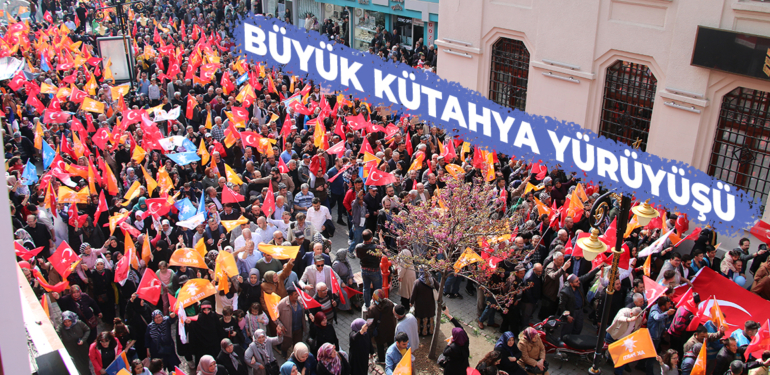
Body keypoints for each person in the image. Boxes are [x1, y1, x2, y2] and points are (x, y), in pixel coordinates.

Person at [367, 289, 397, 363]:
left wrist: (369, 335)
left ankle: (381, 360)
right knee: (390, 343)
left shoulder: (372, 309)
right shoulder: (390, 304)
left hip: (380, 332)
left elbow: (370, 324)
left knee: (380, 345)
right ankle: (392, 357)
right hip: (390, 329)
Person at [57, 311, 91, 375]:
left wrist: (83, 340)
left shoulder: (79, 323)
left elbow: (87, 330)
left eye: (69, 321)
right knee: (80, 366)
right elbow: (57, 333)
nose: (67, 324)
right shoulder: (61, 328)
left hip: (82, 348)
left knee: (85, 363)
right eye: (65, 322)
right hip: (72, 350)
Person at [276, 288, 307, 357]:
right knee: (286, 345)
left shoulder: (300, 301)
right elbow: (275, 317)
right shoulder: (282, 304)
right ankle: (283, 355)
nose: (297, 296)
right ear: (290, 295)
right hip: (287, 331)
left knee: (298, 345)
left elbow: (305, 310)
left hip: (298, 329)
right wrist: (281, 325)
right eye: (295, 294)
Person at [441, 308, 470, 375]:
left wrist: (449, 342)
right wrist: (448, 315)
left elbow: (445, 352)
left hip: (453, 368)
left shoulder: (453, 348)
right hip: (463, 365)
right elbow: (459, 326)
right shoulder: (466, 339)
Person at [411, 271, 438, 336]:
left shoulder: (417, 282)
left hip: (420, 305)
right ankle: (430, 331)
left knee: (421, 317)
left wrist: (411, 302)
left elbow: (413, 295)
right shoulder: (432, 280)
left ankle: (420, 332)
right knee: (429, 317)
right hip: (430, 304)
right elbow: (438, 287)